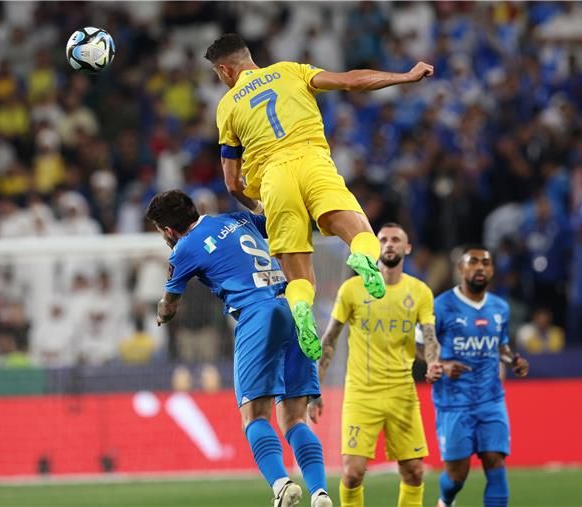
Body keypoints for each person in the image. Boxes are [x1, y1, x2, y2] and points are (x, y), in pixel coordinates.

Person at [204, 33, 435, 360]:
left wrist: (258, 206)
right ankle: (364, 259)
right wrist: (405, 76)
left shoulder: (226, 106)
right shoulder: (290, 70)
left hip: (274, 180)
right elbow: (351, 82)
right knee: (361, 235)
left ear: (225, 71)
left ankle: (302, 312)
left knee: (299, 278)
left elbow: (231, 183)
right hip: (313, 163)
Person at [146, 190, 331, 507]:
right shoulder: (238, 218)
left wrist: (161, 313)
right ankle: (320, 492)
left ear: (167, 230)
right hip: (292, 305)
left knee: (254, 416)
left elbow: (170, 305)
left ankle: (282, 486)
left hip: (256, 315)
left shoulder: (184, 249)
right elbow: (276, 223)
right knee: (294, 419)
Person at [308, 223, 443, 507]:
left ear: (407, 248)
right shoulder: (352, 289)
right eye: (383, 240)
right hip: (361, 394)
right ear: (375, 247)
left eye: (396, 240)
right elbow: (329, 340)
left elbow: (429, 337)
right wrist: (315, 388)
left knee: (414, 471)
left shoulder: (419, 292)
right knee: (353, 473)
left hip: (402, 393)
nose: (389, 244)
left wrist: (433, 363)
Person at [432, 245, 530, 507]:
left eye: (485, 263)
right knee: (457, 475)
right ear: (461, 268)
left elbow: (501, 345)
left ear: (492, 270)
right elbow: (420, 346)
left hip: (491, 399)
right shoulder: (441, 306)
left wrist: (513, 359)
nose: (480, 267)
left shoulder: (499, 308)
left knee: (495, 461)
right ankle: (445, 498)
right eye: (473, 262)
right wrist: (442, 364)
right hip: (453, 402)